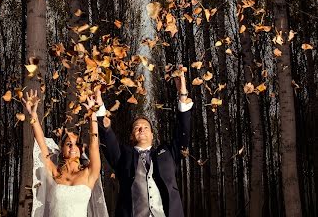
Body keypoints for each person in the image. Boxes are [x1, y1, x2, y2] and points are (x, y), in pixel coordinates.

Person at [95, 66, 193, 217]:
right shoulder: (123, 156)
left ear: (153, 135)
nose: (141, 130)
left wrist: (182, 95)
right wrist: (99, 107)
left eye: (146, 127)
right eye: (137, 128)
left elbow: (183, 131)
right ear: (131, 136)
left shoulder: (168, 152)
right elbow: (108, 140)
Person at [23, 89, 107, 217]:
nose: (73, 147)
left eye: (76, 144)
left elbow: (94, 145)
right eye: (68, 144)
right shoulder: (55, 173)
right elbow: (42, 146)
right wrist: (33, 116)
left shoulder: (89, 173)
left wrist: (92, 116)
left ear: (81, 149)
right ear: (61, 149)